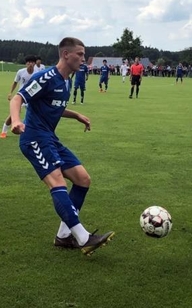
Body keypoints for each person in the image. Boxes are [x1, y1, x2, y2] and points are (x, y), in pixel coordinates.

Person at [9, 37, 115, 256]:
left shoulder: (67, 80)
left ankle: (64, 236)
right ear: (66, 54)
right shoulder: (46, 76)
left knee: (83, 179)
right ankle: (84, 237)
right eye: (80, 54)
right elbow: (18, 98)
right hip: (34, 138)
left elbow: (53, 107)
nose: (83, 59)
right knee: (56, 180)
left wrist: (76, 115)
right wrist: (17, 120)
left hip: (50, 137)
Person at [0, 55, 37, 138]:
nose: (30, 64)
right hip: (22, 97)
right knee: (13, 114)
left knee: (36, 115)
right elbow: (15, 82)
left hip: (33, 97)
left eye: (32, 62)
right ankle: (4, 131)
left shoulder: (38, 73)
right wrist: (10, 93)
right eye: (28, 62)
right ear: (26, 63)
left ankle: (33, 132)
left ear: (34, 63)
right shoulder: (21, 72)